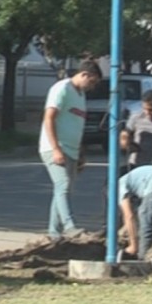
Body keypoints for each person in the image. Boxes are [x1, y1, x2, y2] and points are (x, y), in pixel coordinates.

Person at [38, 60, 103, 241]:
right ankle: (69, 226)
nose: (92, 86)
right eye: (92, 81)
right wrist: (55, 148)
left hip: (72, 150)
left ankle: (54, 233)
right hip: (55, 148)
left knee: (62, 190)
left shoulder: (80, 95)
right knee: (63, 186)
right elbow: (49, 118)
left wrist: (81, 152)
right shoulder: (62, 88)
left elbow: (76, 125)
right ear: (84, 75)